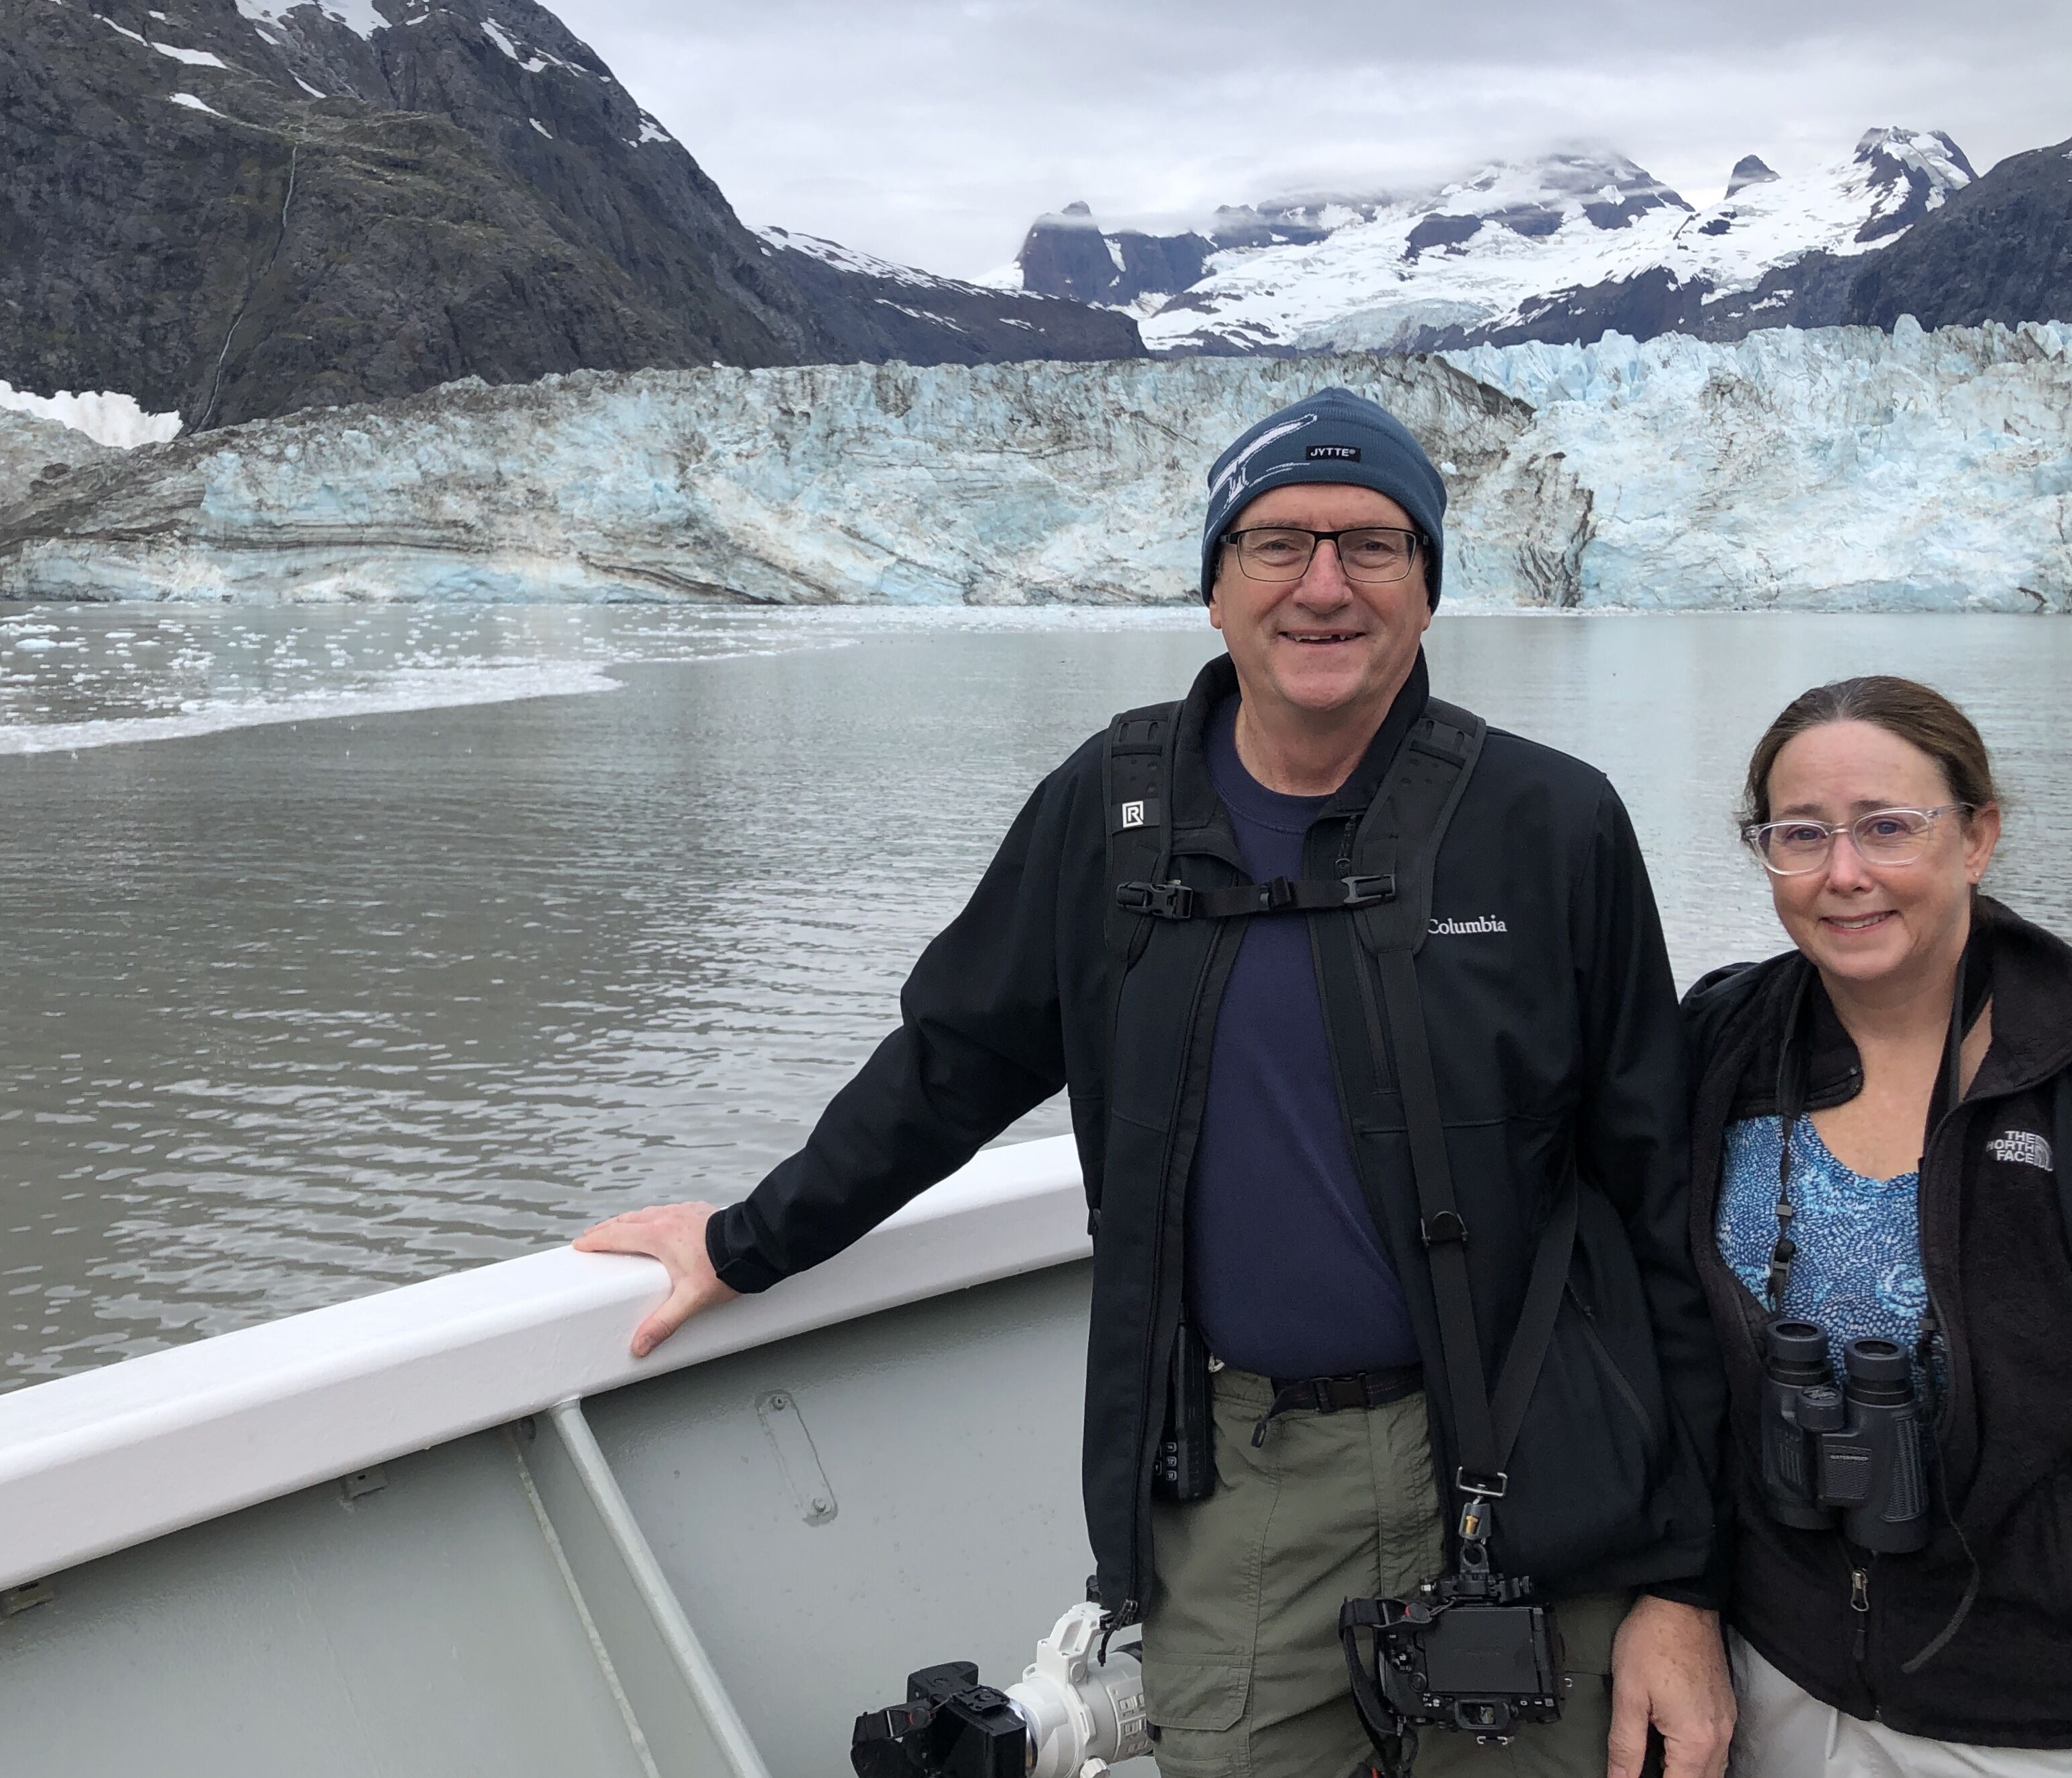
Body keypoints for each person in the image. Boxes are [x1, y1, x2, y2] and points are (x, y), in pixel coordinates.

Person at [577, 387, 1734, 1778]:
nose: (1323, 585)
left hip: (1538, 1457)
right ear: (1214, 585)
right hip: (1244, 1479)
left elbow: (1653, 1197)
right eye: (1277, 543)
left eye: (1371, 545)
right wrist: (745, 1242)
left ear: (1427, 587)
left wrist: (1684, 1581)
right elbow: (954, 1062)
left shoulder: (1551, 821)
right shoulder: (1110, 809)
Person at [1682, 676, 2072, 1775]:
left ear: (1977, 836)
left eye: (1887, 826)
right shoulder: (1715, 1047)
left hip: (2055, 1719)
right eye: (1799, 833)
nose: (1843, 872)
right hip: (1774, 1676)